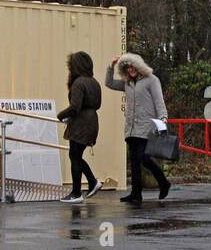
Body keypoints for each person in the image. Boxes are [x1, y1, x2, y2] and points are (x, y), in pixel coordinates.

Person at [106, 52, 170, 203]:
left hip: (146, 127)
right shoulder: (127, 84)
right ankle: (136, 193)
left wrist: (163, 119)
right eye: (127, 68)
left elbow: (159, 101)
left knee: (144, 158)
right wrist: (111, 66)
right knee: (134, 160)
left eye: (132, 66)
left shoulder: (151, 80)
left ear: (138, 65)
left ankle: (163, 182)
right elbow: (108, 83)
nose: (130, 70)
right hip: (131, 128)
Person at [57, 51, 103, 203]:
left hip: (80, 123)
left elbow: (75, 107)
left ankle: (77, 192)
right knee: (76, 155)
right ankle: (91, 182)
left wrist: (61, 115)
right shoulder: (94, 82)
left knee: (74, 156)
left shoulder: (78, 83)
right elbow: (97, 104)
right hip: (92, 121)